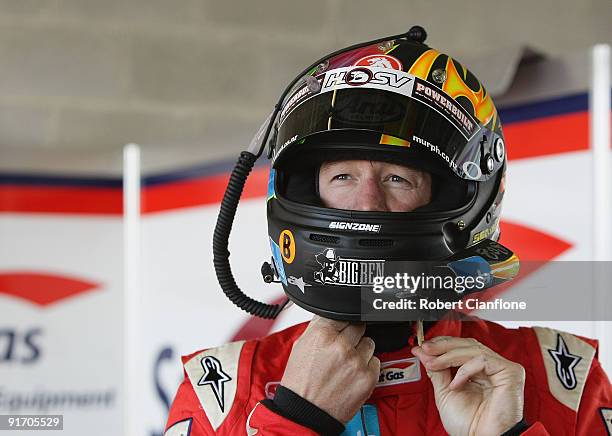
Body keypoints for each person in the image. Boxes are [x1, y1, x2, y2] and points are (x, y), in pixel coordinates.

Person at [164, 29, 612, 435]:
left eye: (399, 179)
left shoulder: (559, 380)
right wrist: (296, 419)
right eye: (342, 177)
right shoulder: (219, 391)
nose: (366, 204)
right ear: (306, 190)